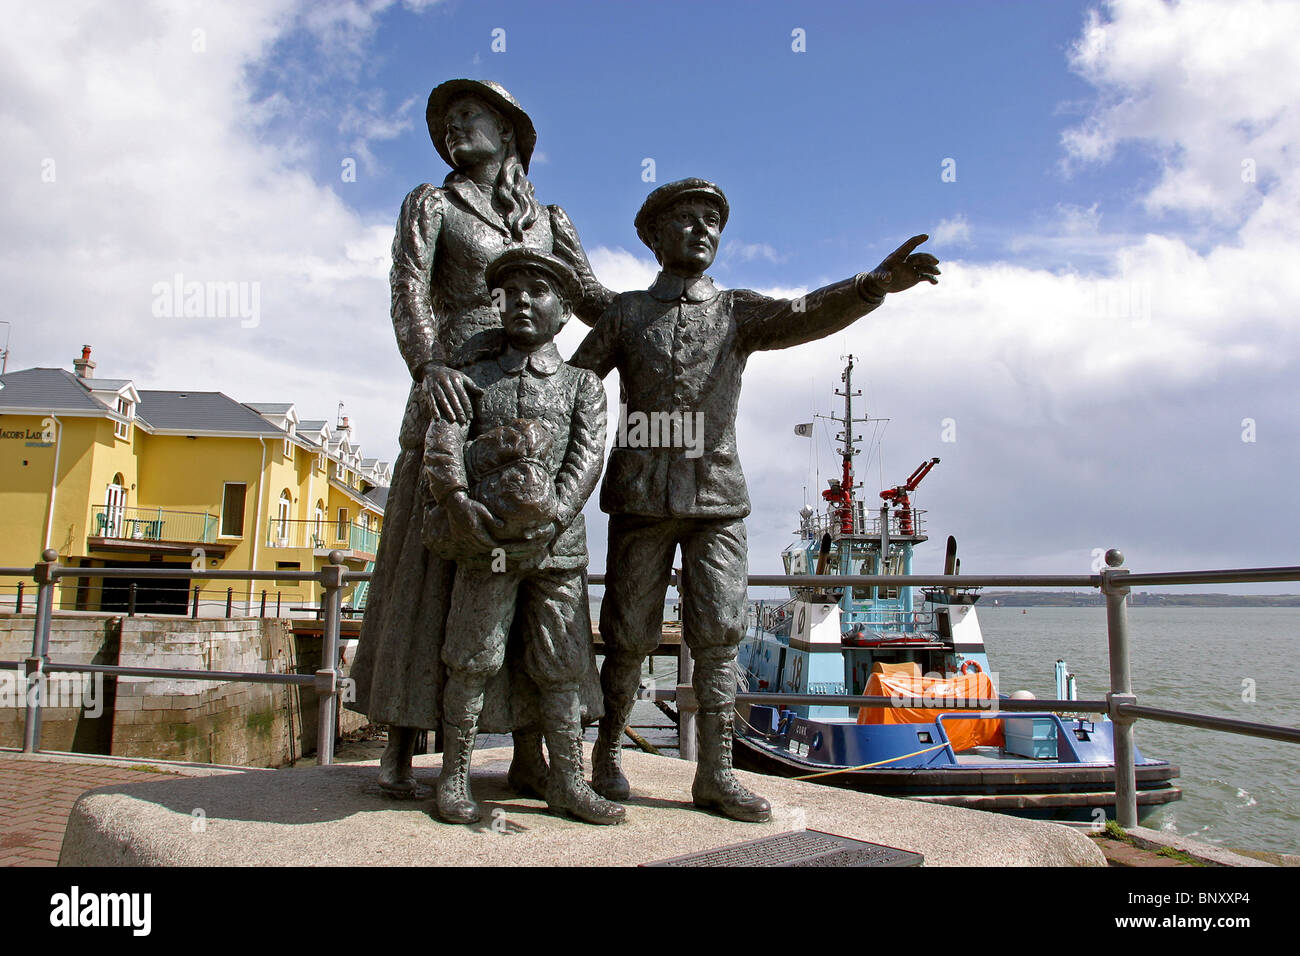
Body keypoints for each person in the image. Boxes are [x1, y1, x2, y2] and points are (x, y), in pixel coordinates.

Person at [571, 178, 939, 821]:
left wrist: (871, 285)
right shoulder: (625, 313)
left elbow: (803, 314)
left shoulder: (737, 311)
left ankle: (714, 773)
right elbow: (573, 387)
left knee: (719, 635)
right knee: (627, 633)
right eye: (685, 219)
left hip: (715, 498)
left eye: (712, 220)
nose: (702, 229)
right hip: (638, 500)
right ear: (655, 237)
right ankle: (605, 754)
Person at [348, 80, 612, 799]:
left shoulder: (550, 219)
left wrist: (662, 310)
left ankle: (532, 753)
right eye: (446, 122)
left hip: (534, 406)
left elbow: (592, 300)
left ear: (509, 129)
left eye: (470, 117)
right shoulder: (431, 203)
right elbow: (408, 285)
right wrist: (428, 364)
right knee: (422, 574)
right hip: (456, 389)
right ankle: (400, 744)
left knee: (525, 569)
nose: (454, 130)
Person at [422, 248, 622, 825]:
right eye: (511, 293)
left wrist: (553, 517)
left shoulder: (583, 385)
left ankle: (567, 779)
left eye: (539, 291)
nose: (524, 302)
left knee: (560, 664)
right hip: (486, 547)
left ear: (564, 312)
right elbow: (443, 449)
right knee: (472, 658)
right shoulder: (471, 378)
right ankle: (453, 779)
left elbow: (587, 459)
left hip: (556, 550)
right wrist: (457, 502)